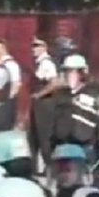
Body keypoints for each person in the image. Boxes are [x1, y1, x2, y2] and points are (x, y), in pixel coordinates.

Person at [29, 38, 60, 173]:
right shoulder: (39, 63)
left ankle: (51, 167)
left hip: (45, 104)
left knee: (44, 137)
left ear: (45, 47)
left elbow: (54, 83)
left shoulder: (47, 63)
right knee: (33, 136)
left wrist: (39, 94)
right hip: (39, 104)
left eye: (37, 45)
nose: (33, 48)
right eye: (32, 45)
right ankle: (33, 167)